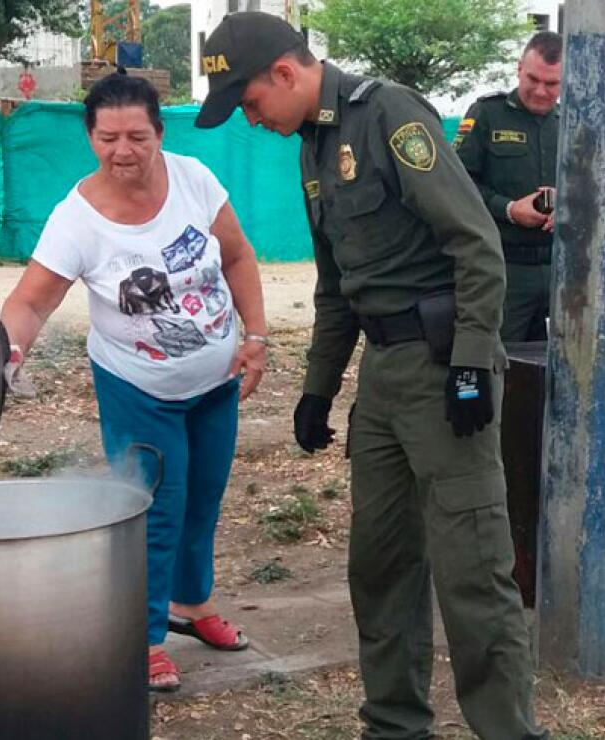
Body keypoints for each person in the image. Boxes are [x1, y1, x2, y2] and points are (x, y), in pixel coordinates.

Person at [195, 14, 544, 740]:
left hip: (445, 366)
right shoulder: (313, 145)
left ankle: (508, 730)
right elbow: (337, 284)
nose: (252, 120)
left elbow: (477, 244)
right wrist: (320, 386)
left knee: (472, 572)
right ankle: (393, 725)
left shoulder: (389, 114)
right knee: (380, 566)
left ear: (285, 74)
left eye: (251, 103)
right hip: (384, 378)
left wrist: (475, 363)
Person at [0, 73, 269, 693]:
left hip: (215, 381)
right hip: (136, 387)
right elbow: (32, 303)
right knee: (154, 510)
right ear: (90, 137)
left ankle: (190, 606)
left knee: (203, 496)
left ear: (159, 133)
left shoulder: (195, 180)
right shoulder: (77, 219)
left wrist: (254, 336)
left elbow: (237, 257)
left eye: (138, 136)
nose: (124, 150)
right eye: (109, 137)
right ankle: (142, 638)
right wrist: (8, 350)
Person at [455, 31, 564, 343]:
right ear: (519, 69)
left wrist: (571, 208)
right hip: (505, 271)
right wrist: (509, 209)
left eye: (552, 83)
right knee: (502, 370)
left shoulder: (574, 122)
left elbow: (594, 187)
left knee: (562, 370)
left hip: (562, 271)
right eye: (533, 79)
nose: (541, 91)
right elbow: (459, 185)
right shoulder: (487, 114)